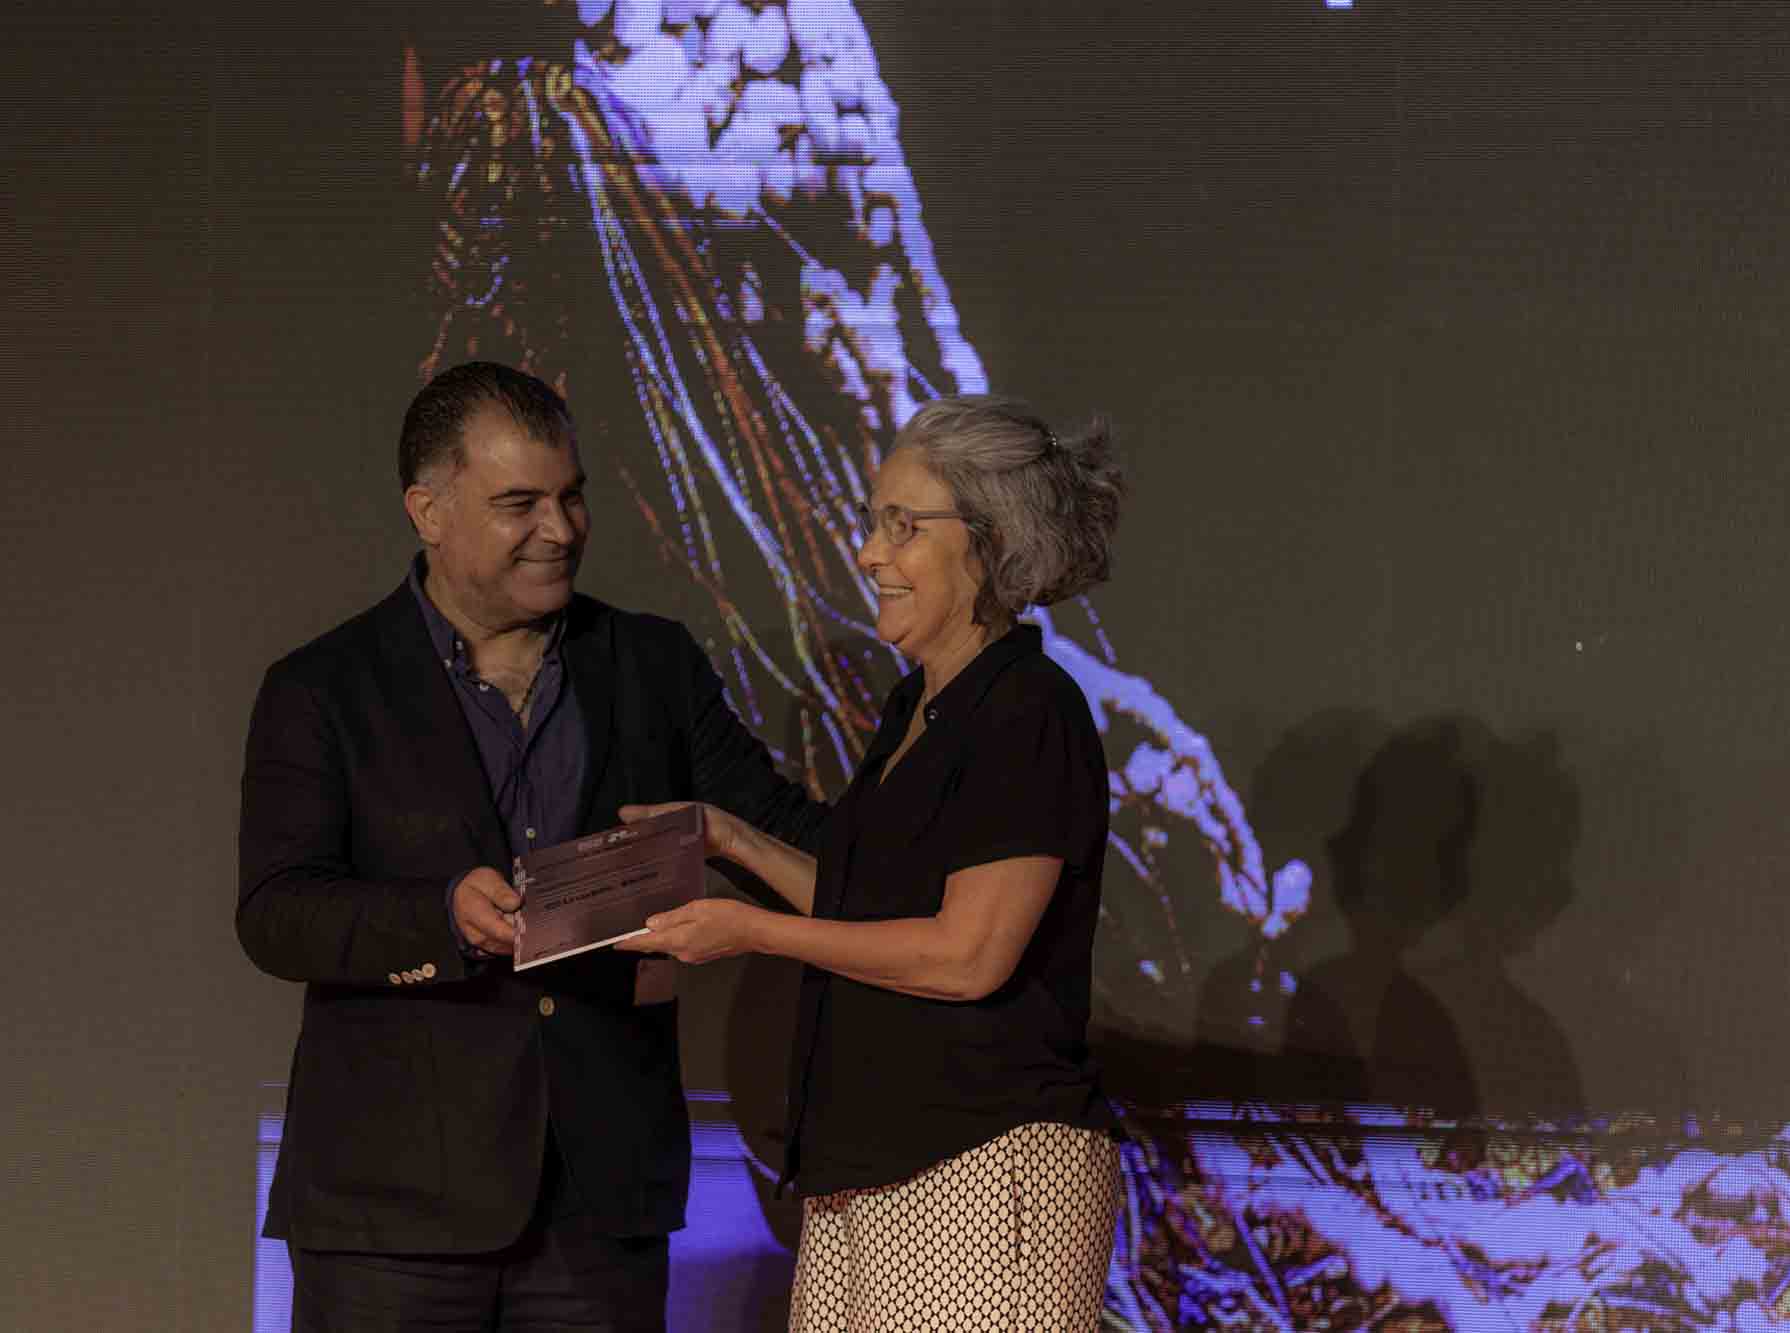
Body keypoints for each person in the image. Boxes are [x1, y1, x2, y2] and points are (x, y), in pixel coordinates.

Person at [236, 361, 823, 1331]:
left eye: (571, 496)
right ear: (428, 511)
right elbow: (276, 912)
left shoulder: (653, 665)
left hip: (600, 1202)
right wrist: (439, 916)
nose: (560, 529)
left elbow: (783, 833)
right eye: (520, 504)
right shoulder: (322, 687)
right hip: (389, 1209)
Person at [616, 394, 1127, 1330]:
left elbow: (967, 955)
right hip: (873, 1175)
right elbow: (867, 905)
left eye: (902, 526)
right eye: (872, 522)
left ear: (990, 541)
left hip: (983, 1169)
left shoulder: (1027, 711)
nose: (867, 554)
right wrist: (730, 837)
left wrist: (752, 931)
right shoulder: (914, 712)